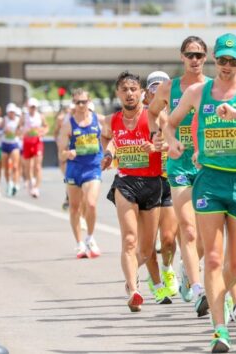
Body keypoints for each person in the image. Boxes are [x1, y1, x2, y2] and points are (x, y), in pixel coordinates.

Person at [165, 33, 236, 353]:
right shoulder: (197, 92)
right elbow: (170, 123)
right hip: (210, 181)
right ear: (215, 60)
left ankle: (219, 299)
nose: (229, 66)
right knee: (214, 257)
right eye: (224, 60)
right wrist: (172, 143)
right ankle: (219, 330)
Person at [148, 36, 210, 311]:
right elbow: (151, 114)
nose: (194, 60)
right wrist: (160, 137)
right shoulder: (168, 88)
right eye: (189, 55)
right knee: (187, 227)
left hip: (209, 164)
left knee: (207, 234)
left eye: (199, 55)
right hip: (179, 164)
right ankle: (198, 289)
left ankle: (188, 268)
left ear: (205, 58)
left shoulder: (213, 87)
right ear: (182, 57)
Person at [101, 71, 168, 312]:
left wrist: (157, 145)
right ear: (118, 93)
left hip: (152, 183)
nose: (129, 94)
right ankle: (134, 290)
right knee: (129, 239)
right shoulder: (113, 119)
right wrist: (108, 154)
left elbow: (170, 142)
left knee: (147, 248)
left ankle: (132, 277)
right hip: (125, 182)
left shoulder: (154, 116)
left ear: (141, 92)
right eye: (124, 90)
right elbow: (109, 139)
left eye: (133, 89)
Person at [144, 71, 181, 299]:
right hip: (145, 181)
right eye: (153, 89)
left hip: (169, 179)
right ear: (147, 94)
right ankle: (155, 280)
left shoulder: (178, 114)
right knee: (148, 241)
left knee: (168, 239)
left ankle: (167, 269)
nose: (157, 92)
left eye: (161, 88)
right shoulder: (141, 116)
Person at [56, 88, 103, 259]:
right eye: (77, 102)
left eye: (84, 101)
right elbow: (60, 152)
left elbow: (112, 132)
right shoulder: (68, 125)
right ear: (73, 104)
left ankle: (90, 237)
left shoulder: (98, 120)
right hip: (74, 169)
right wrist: (68, 153)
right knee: (75, 207)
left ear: (89, 101)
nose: (81, 105)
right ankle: (79, 243)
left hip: (93, 167)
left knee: (90, 204)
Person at [21, 97, 48, 198]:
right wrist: (23, 132)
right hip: (27, 143)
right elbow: (18, 128)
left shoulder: (40, 116)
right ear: (28, 107)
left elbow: (46, 127)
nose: (33, 109)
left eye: (34, 107)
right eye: (31, 107)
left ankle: (36, 188)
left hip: (37, 143)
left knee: (37, 166)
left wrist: (43, 131)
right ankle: (31, 181)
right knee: (28, 167)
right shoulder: (24, 117)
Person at [1, 103, 22, 197]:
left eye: (13, 112)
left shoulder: (18, 120)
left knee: (15, 166)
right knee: (5, 167)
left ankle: (16, 183)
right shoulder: (4, 120)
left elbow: (20, 132)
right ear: (7, 112)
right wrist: (4, 131)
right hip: (5, 144)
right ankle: (9, 183)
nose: (11, 114)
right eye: (10, 112)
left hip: (14, 144)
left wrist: (15, 132)